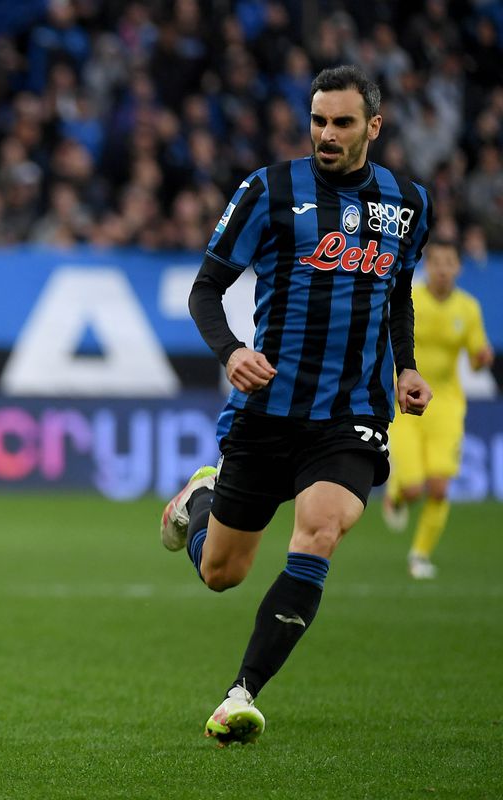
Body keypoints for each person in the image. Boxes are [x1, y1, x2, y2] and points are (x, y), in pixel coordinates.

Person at [159, 65, 433, 745]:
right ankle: (200, 500)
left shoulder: (409, 203)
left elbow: (397, 293)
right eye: (318, 121)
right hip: (268, 409)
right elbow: (205, 289)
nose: (327, 135)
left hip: (352, 414)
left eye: (342, 123)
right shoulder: (268, 189)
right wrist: (229, 352)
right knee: (223, 573)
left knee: (320, 532)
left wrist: (406, 367)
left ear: (373, 125)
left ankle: (239, 695)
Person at [382, 239, 493, 579]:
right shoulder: (408, 299)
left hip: (446, 405)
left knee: (440, 487)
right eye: (437, 262)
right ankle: (398, 494)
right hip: (407, 402)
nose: (443, 269)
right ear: (427, 265)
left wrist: (480, 359)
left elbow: (477, 360)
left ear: (458, 268)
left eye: (449, 262)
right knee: (415, 488)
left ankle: (420, 556)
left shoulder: (468, 309)